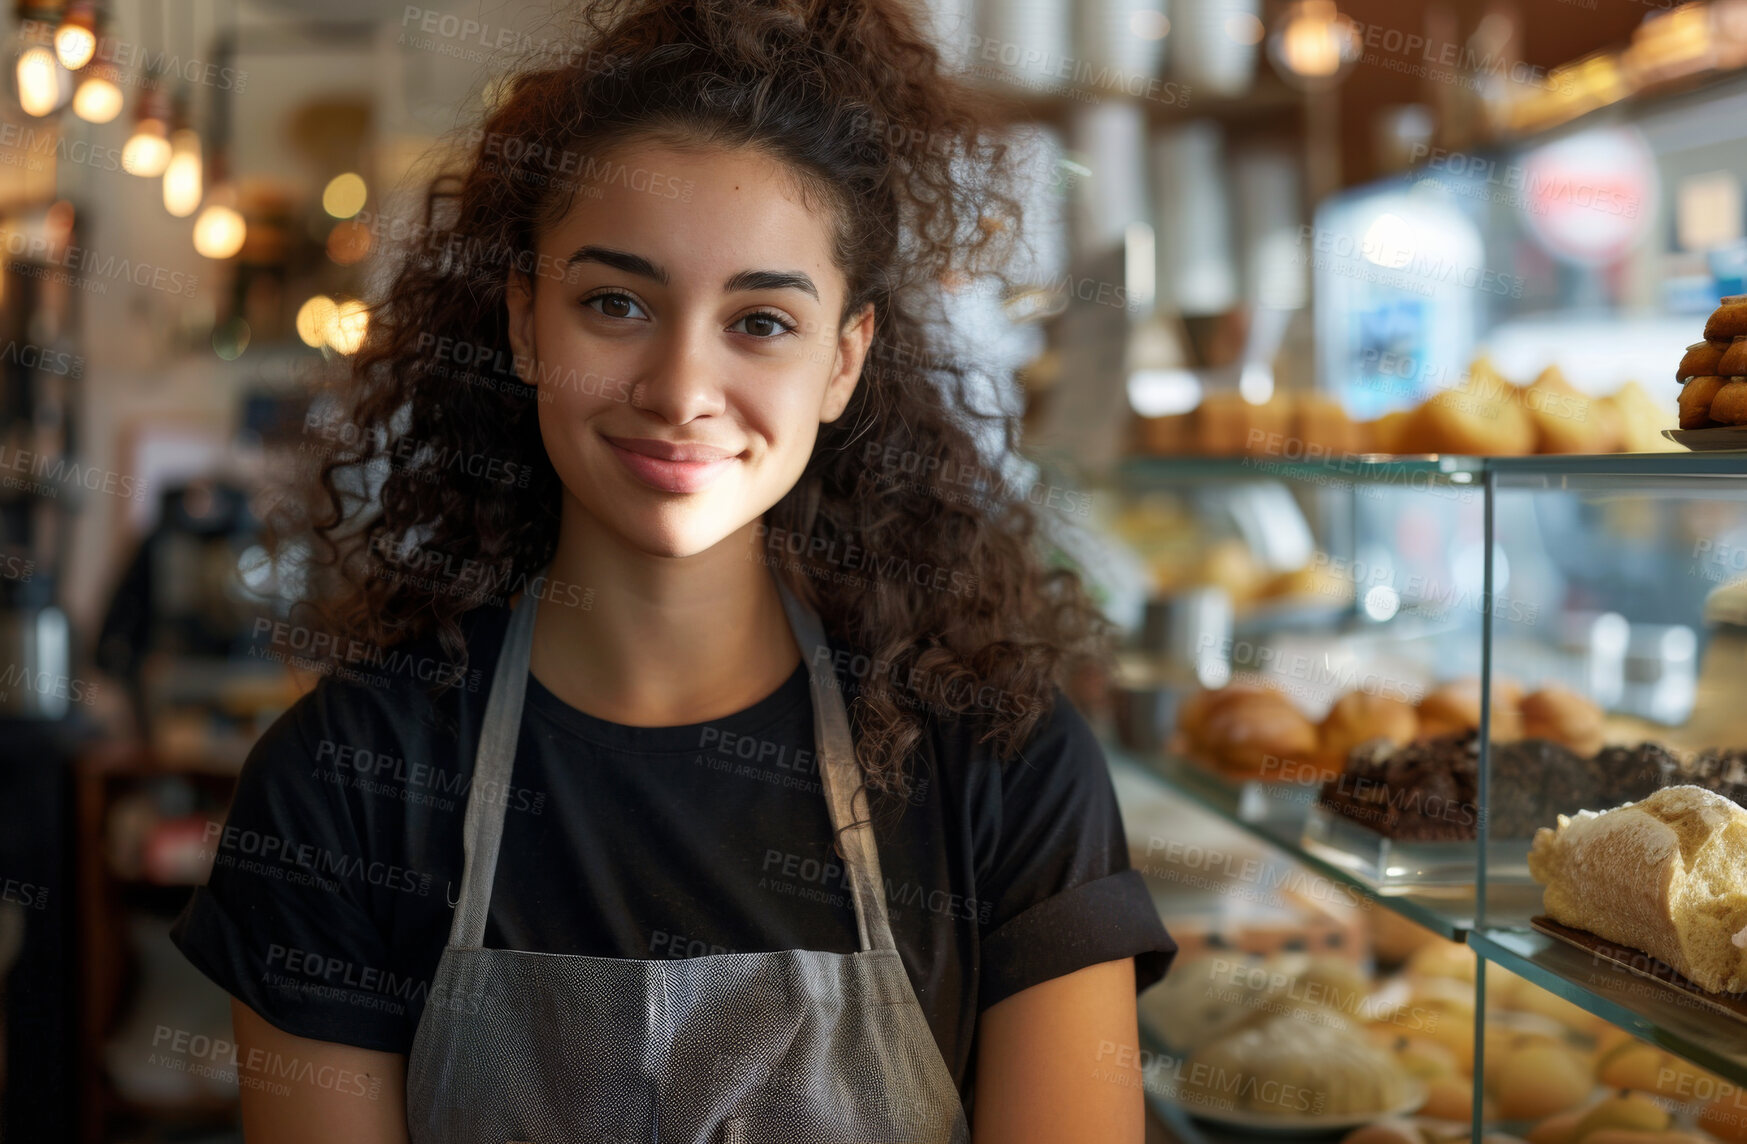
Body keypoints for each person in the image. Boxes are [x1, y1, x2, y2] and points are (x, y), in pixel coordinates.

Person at [170, 0, 1177, 1139]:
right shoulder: (343, 783)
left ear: (844, 361)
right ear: (521, 319)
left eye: (760, 321)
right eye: (616, 303)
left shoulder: (1002, 764)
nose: (681, 386)